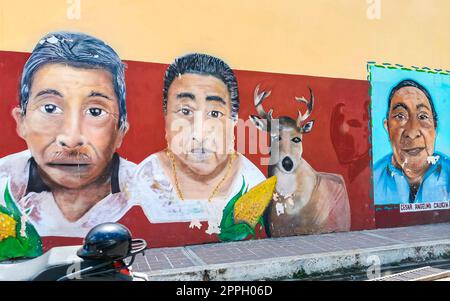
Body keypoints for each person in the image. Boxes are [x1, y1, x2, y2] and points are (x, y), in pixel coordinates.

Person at [0, 31, 136, 237]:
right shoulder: (4, 182)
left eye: (95, 112)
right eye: (50, 108)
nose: (71, 140)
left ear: (120, 131)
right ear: (22, 122)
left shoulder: (148, 193)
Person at [131, 53, 266, 236]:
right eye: (185, 111)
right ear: (166, 118)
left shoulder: (252, 183)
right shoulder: (146, 179)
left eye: (215, 114)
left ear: (234, 122)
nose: (200, 133)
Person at [373, 79, 450, 204]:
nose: (412, 132)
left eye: (423, 116)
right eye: (400, 116)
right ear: (387, 128)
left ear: (435, 128)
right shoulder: (372, 180)